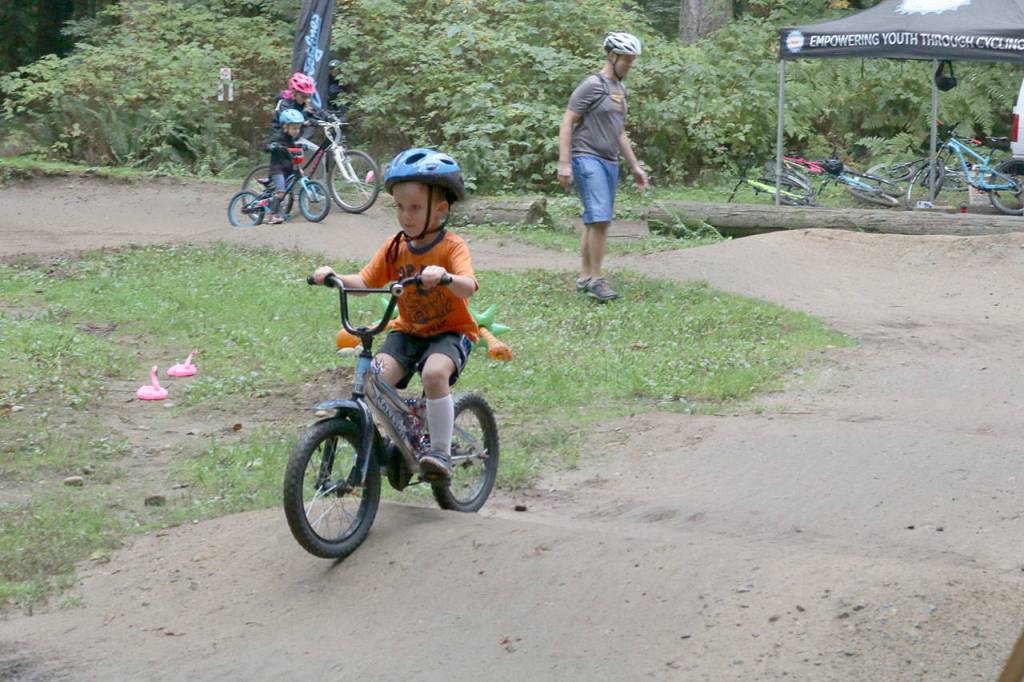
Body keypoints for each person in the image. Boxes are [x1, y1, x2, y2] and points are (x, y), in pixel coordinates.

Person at [310, 148, 479, 481]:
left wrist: (444, 277)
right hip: (408, 333)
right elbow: (363, 282)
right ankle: (404, 439)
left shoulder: (451, 246)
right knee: (373, 378)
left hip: (450, 333)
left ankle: (440, 453)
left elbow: (468, 286)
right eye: (400, 207)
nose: (406, 216)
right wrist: (334, 278)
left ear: (440, 209)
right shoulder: (394, 247)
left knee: (434, 375)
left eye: (415, 208)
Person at [557, 31, 649, 303]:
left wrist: (634, 166)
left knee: (596, 222)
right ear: (612, 56)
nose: (630, 64)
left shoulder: (620, 89)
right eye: (627, 59)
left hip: (610, 161)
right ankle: (598, 279)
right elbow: (567, 121)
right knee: (600, 219)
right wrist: (564, 163)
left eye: (633, 59)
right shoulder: (592, 85)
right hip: (587, 157)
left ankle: (586, 276)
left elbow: (618, 131)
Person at [264, 108, 305, 225]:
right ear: (285, 127)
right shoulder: (278, 137)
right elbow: (264, 145)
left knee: (289, 190)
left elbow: (291, 149)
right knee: (281, 192)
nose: (297, 131)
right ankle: (272, 215)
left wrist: (301, 147)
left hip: (288, 169)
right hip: (278, 170)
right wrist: (271, 146)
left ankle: (282, 212)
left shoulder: (291, 139)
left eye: (298, 128)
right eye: (294, 128)